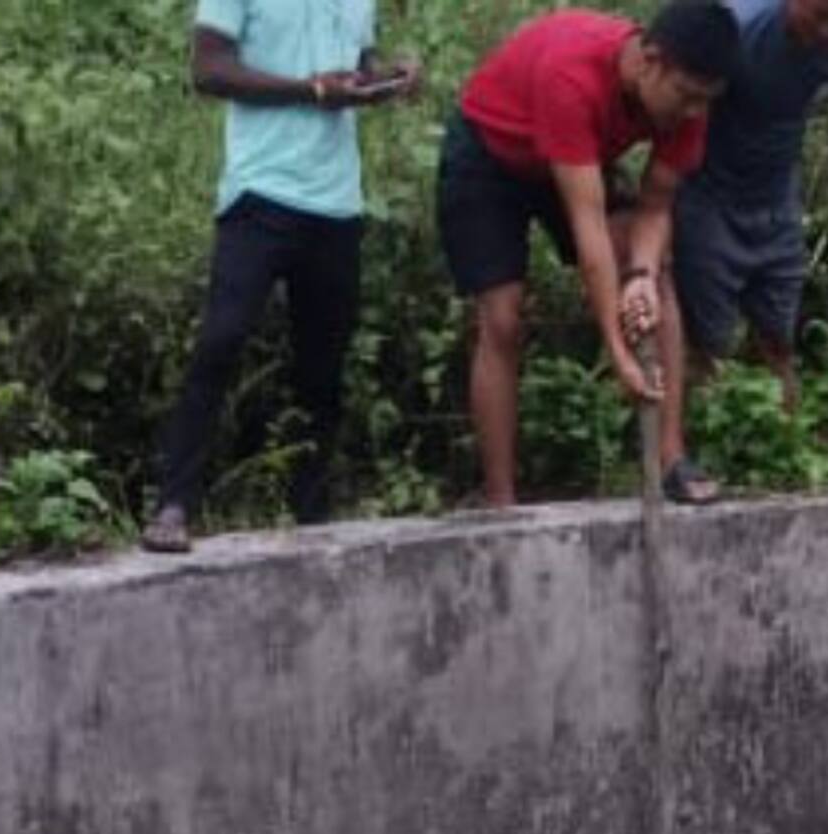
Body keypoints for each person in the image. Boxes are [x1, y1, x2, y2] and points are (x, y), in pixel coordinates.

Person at [142, 0, 421, 555]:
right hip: (260, 190)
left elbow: (355, 67)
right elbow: (209, 70)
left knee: (323, 368)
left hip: (338, 199)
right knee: (221, 342)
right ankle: (173, 504)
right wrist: (310, 90)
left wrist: (386, 80)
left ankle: (311, 513)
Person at [438, 1, 742, 510]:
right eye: (686, 98)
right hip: (489, 156)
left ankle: (672, 459)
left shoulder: (690, 101)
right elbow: (588, 230)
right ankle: (500, 497)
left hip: (576, 157)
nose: (693, 113)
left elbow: (657, 203)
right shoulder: (571, 76)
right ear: (649, 59)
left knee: (657, 278)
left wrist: (641, 273)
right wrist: (618, 352)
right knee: (503, 320)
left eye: (705, 101)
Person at [671, 0, 828, 458]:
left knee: (778, 336)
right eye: (818, 16)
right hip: (709, 195)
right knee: (707, 343)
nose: (827, 32)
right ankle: (700, 452)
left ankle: (784, 446)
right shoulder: (735, 28)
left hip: (776, 194)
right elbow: (678, 109)